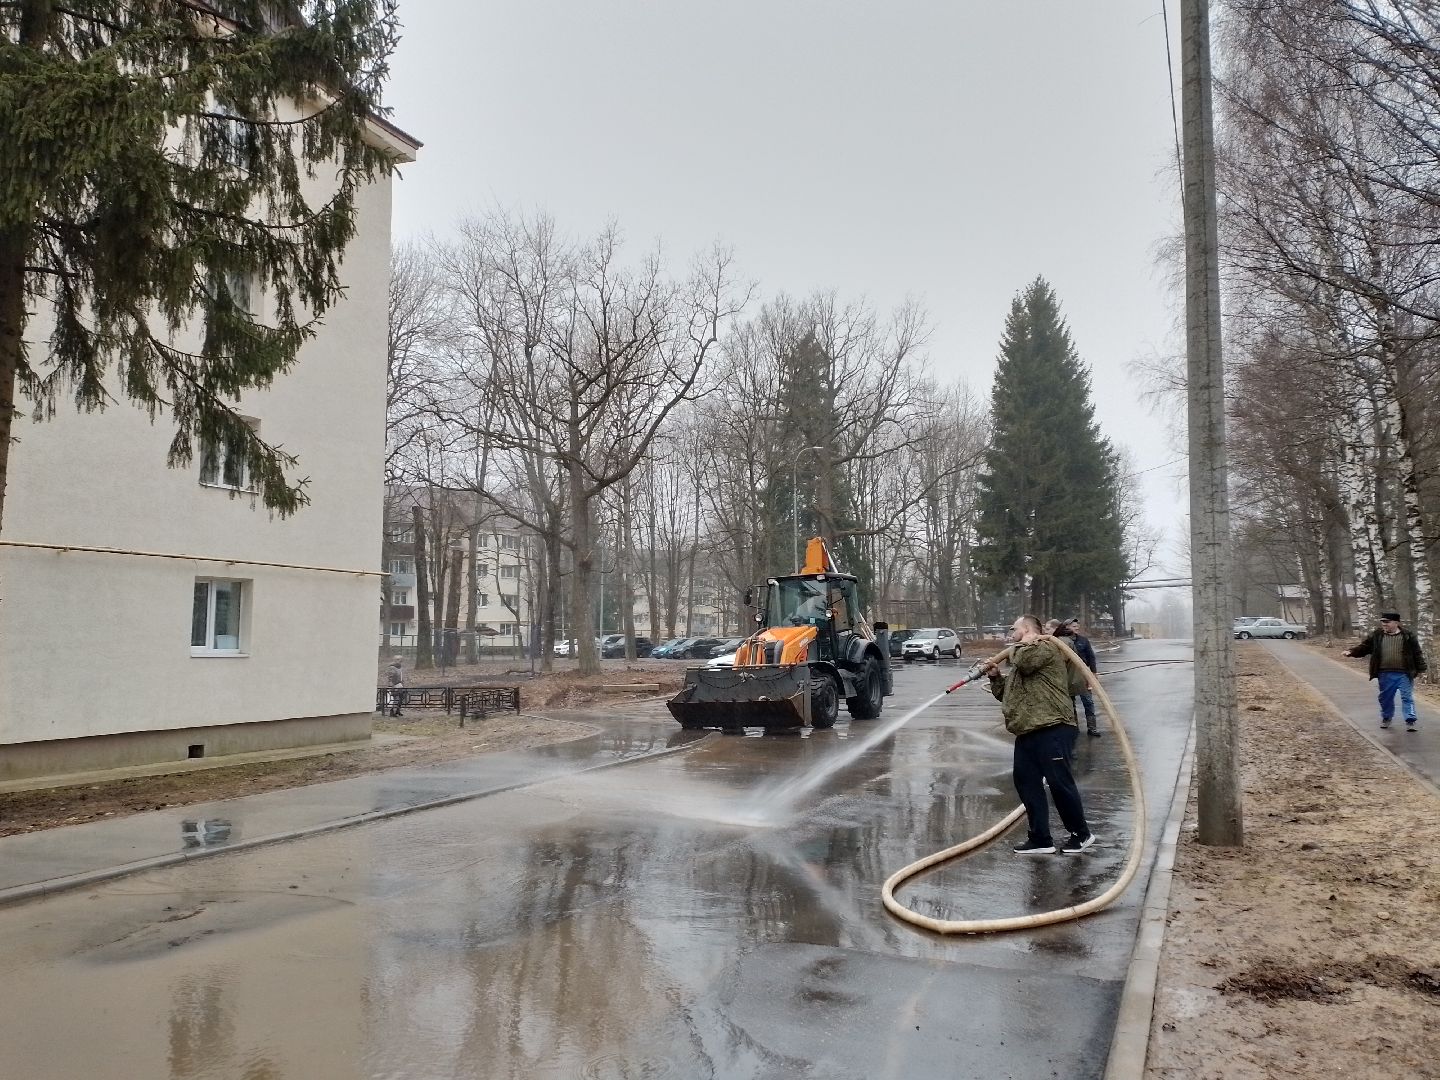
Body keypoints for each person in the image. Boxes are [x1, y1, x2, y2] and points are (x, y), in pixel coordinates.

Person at [983, 615, 1096, 855]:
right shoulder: (1023, 653)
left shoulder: (1045, 647)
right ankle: (1040, 838)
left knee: (1059, 783)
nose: (1010, 633)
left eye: (1014, 628)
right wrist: (995, 677)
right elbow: (1008, 694)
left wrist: (1019, 646)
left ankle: (1081, 834)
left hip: (1053, 726)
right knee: (1025, 782)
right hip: (1028, 729)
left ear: (1026, 629)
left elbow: (1025, 662)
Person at [1344, 612, 1427, 731]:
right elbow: (1365, 647)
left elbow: (1417, 653)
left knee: (1407, 697)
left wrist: (1421, 669)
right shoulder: (1377, 635)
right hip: (1385, 673)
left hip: (1404, 673)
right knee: (1385, 698)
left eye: (1387, 622)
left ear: (1396, 623)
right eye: (1383, 622)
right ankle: (1386, 717)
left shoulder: (1407, 636)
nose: (1384, 624)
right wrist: (1351, 652)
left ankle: (1410, 720)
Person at [1056, 617, 1101, 736]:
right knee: (1070, 702)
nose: (1077, 627)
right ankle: (1074, 727)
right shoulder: (1061, 640)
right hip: (1068, 674)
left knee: (1088, 701)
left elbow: (1091, 657)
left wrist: (1094, 673)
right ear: (1066, 627)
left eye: (1077, 626)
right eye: (1073, 626)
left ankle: (1092, 728)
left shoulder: (1083, 640)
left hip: (1083, 674)